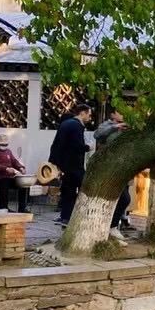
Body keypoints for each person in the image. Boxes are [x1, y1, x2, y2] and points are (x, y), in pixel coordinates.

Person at [48, 103, 92, 226]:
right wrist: (88, 147)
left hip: (64, 165)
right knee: (84, 190)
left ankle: (65, 217)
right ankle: (79, 217)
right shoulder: (76, 126)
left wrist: (55, 162)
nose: (90, 117)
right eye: (88, 114)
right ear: (82, 113)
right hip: (74, 165)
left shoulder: (65, 123)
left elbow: (56, 144)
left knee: (67, 192)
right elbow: (77, 146)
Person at [94, 109, 134, 242]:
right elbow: (98, 135)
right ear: (113, 114)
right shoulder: (107, 125)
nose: (122, 114)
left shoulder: (129, 126)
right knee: (121, 198)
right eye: (119, 112)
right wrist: (116, 127)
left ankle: (114, 225)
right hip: (108, 167)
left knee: (124, 199)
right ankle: (110, 226)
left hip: (123, 167)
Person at [0, 131, 28, 211]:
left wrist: (21, 167)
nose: (4, 146)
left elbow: (14, 161)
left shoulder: (8, 151)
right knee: (4, 184)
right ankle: (4, 208)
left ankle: (22, 208)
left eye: (5, 144)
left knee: (23, 185)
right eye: (2, 144)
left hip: (11, 176)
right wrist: (6, 169)